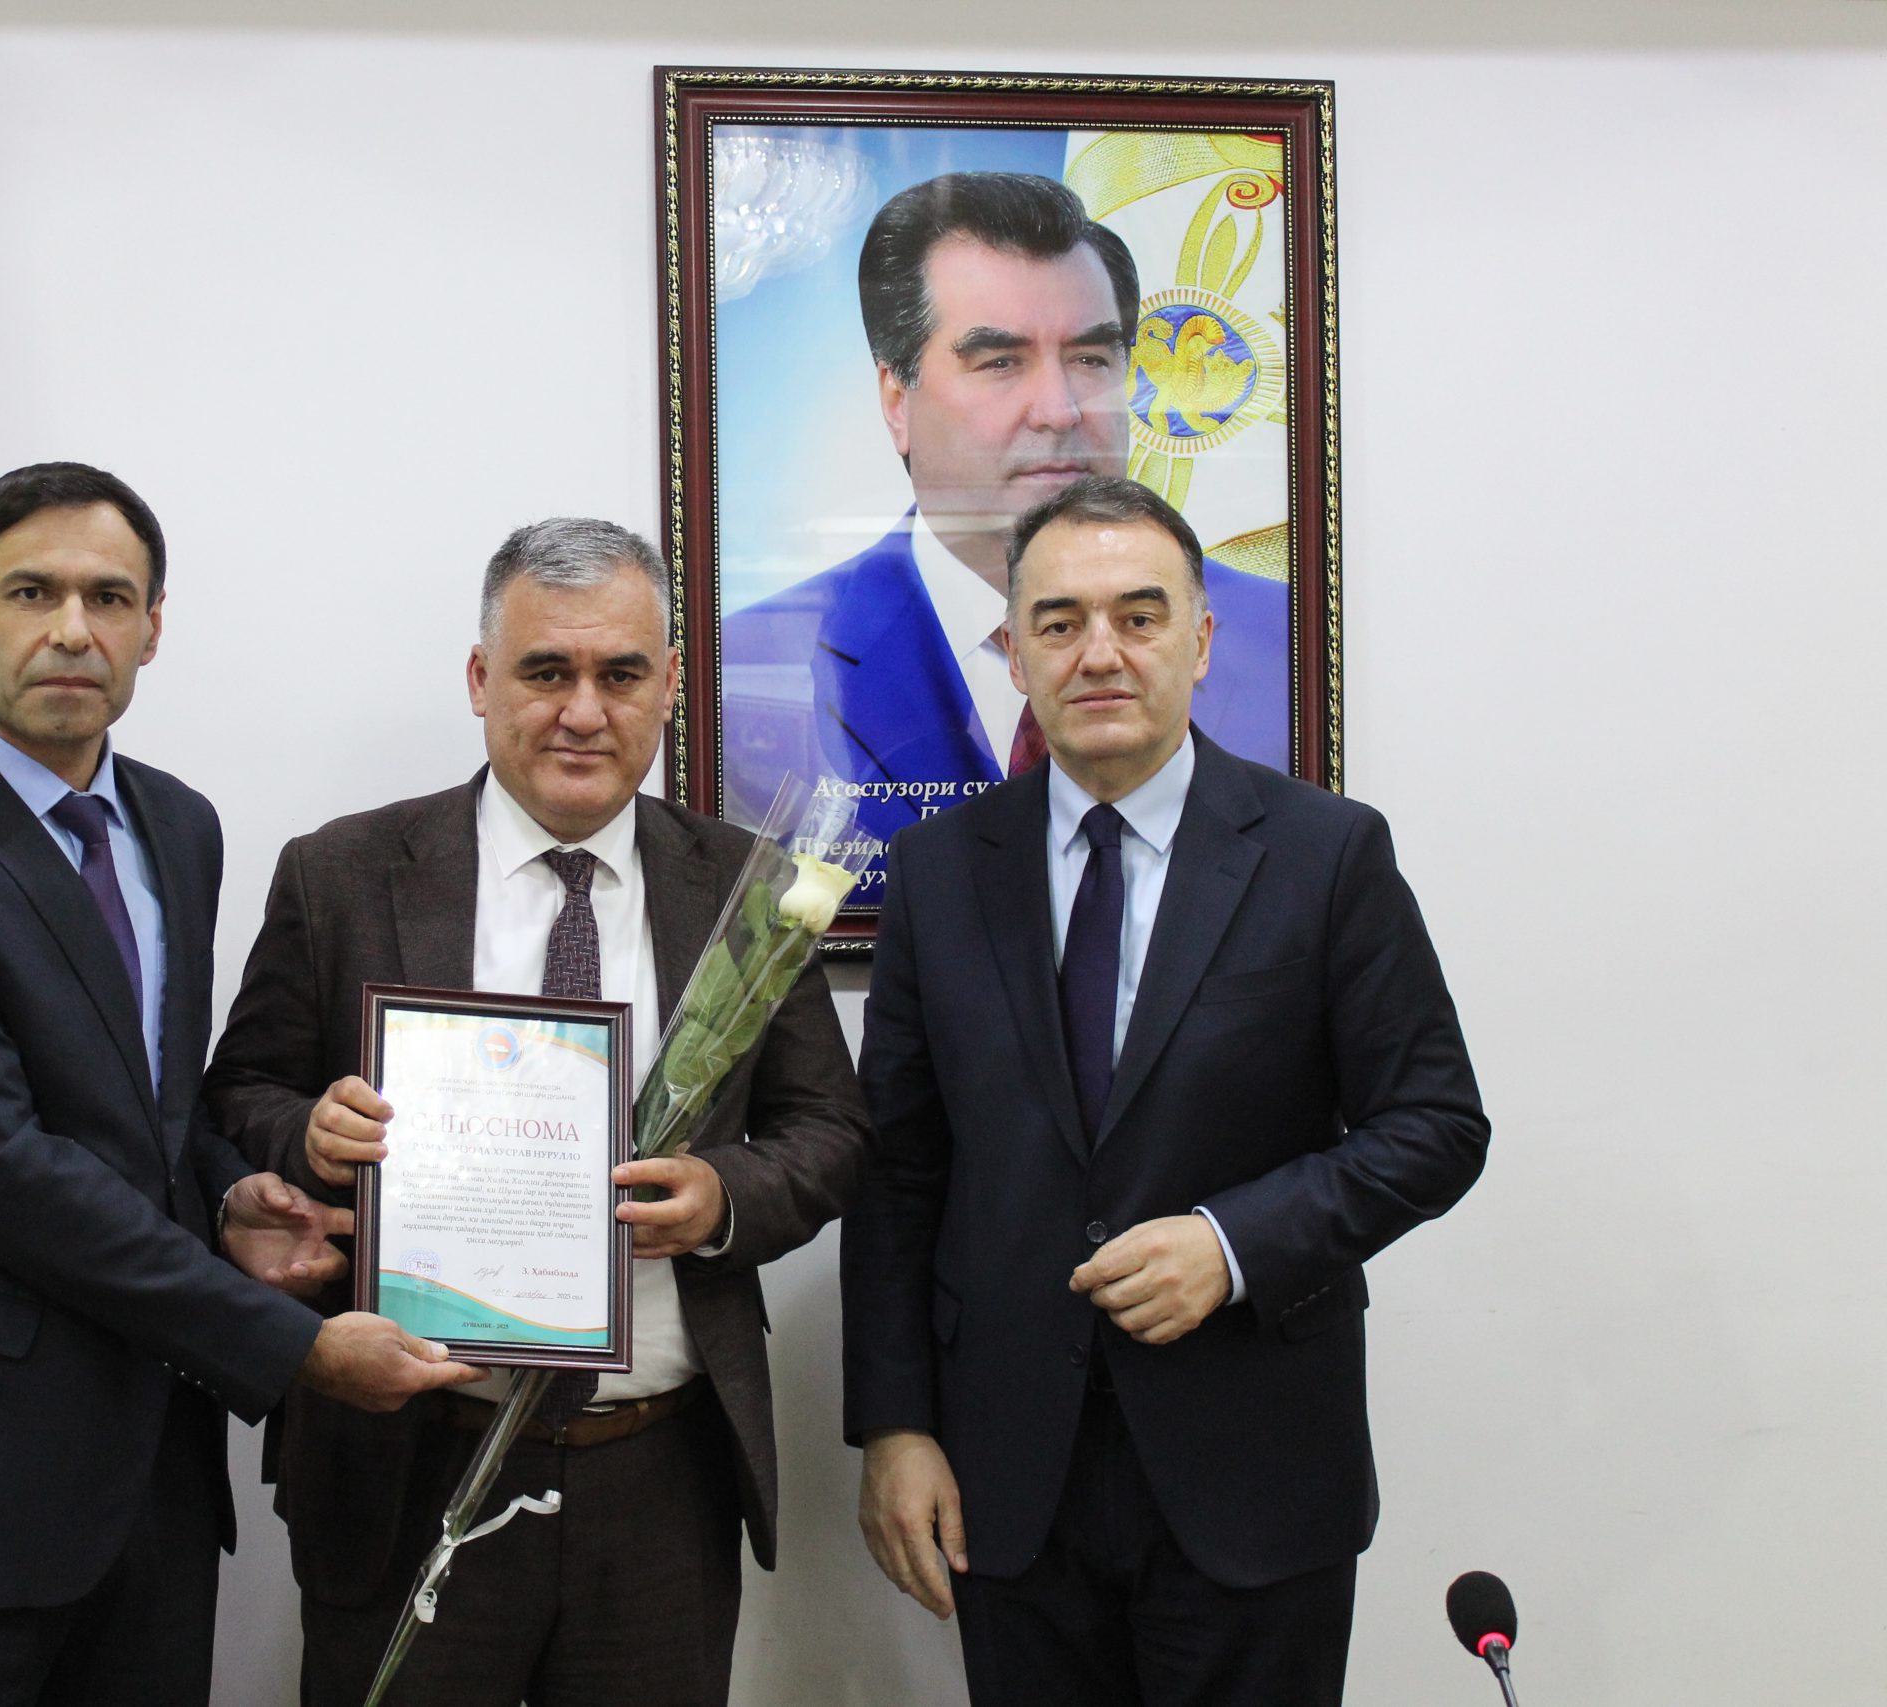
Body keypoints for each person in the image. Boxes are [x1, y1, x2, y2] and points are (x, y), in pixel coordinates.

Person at [0, 462, 480, 1707]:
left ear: (152, 626)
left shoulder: (178, 825)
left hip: (150, 1488)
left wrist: (228, 1195)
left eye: (108, 598)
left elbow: (149, 1107)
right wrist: (293, 1349)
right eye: (30, 592)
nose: (71, 630)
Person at [840, 475, 1487, 1704]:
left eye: (1138, 617)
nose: (1100, 653)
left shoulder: (1324, 854)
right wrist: (894, 1426)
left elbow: (1434, 1126)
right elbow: (898, 1172)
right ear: (1013, 651)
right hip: (1008, 1478)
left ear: (1199, 639)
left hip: (1252, 1469)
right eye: (1059, 621)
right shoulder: (938, 872)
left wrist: (1231, 1245)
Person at [204, 517, 868, 1707]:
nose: (583, 712)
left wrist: (721, 1199)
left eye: (621, 675)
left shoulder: (751, 888)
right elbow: (238, 1093)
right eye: (545, 671)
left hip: (657, 1476)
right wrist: (305, 1136)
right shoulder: (340, 872)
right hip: (407, 1459)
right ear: (480, 679)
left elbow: (830, 1135)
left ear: (668, 687)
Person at [721, 171, 1291, 888]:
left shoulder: (1278, 637)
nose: (1059, 409)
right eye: (1000, 362)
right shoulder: (746, 668)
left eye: (1091, 358)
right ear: (896, 400)